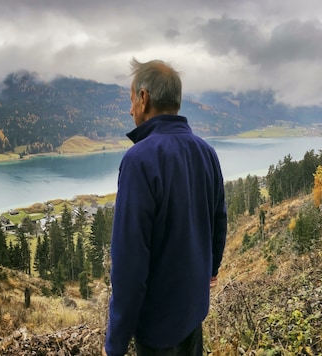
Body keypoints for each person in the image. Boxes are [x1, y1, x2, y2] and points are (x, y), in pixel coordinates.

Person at [103, 59, 227, 356]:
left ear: (144, 98)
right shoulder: (205, 152)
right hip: (193, 313)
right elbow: (219, 219)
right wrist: (211, 269)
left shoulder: (140, 160)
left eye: (131, 100)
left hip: (157, 327)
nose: (130, 109)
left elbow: (129, 262)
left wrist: (115, 344)